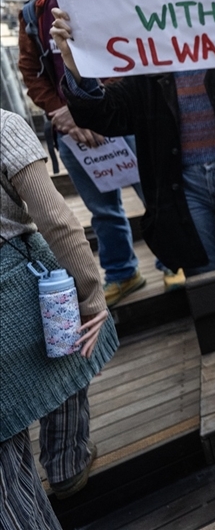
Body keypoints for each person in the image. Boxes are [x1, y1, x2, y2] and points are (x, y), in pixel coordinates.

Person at [53, 13, 215, 277]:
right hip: (185, 186)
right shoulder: (148, 68)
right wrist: (73, 63)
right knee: (205, 279)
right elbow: (104, 114)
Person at [2, 0, 148, 305]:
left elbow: (131, 57)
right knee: (103, 210)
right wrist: (63, 111)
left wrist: (95, 108)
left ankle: (173, 263)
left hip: (120, 122)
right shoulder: (32, 13)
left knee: (155, 195)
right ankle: (122, 273)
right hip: (71, 132)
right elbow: (30, 72)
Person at [1, 109, 118, 528]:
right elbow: (58, 221)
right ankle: (67, 462)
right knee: (72, 346)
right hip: (17, 285)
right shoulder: (4, 127)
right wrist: (90, 295)